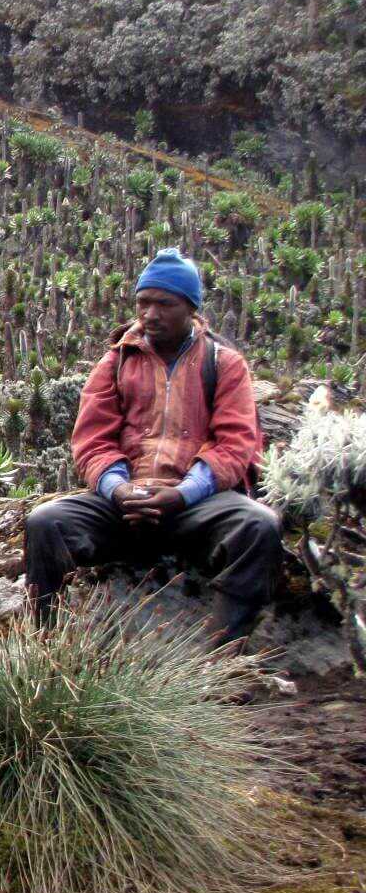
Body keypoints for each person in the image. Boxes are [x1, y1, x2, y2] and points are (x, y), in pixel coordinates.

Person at [23, 248, 281, 646]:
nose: (150, 314)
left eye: (165, 303)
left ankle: (222, 658)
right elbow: (92, 440)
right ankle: (42, 642)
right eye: (143, 302)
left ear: (190, 308)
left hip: (195, 505)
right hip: (125, 504)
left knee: (258, 525)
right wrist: (118, 488)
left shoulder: (223, 363)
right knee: (45, 522)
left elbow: (235, 444)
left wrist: (182, 493)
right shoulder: (116, 362)